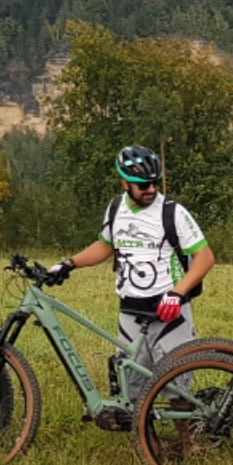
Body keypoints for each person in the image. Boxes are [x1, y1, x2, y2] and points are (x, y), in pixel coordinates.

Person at [49, 145, 214, 369]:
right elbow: (105, 246)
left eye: (155, 183)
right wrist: (68, 264)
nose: (152, 189)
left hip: (169, 311)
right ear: (124, 183)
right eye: (144, 185)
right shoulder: (116, 208)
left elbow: (204, 257)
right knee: (130, 389)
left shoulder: (172, 212)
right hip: (131, 310)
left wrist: (177, 293)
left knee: (176, 391)